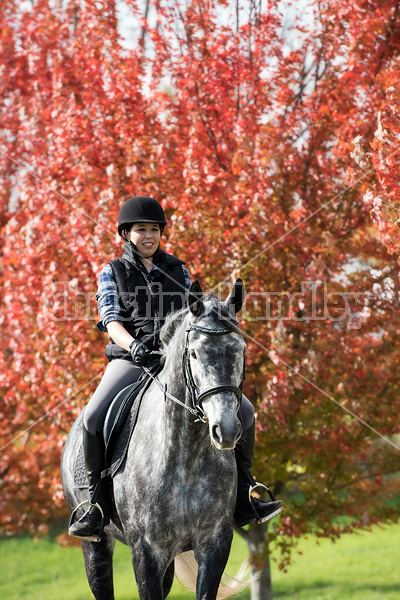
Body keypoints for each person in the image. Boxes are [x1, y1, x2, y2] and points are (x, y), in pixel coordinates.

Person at [68, 196, 282, 542]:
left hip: (174, 362)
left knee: (244, 410)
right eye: (141, 230)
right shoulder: (113, 271)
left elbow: (191, 317)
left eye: (154, 230)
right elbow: (111, 320)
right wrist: (134, 345)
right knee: (94, 417)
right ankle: (96, 504)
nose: (149, 236)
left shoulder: (177, 269)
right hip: (130, 359)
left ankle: (245, 493)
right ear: (127, 233)